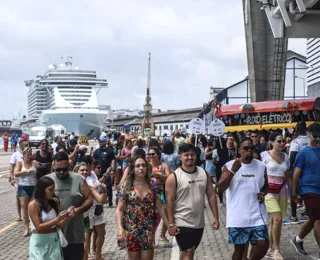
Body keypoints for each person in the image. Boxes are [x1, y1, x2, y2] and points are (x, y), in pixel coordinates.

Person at [217, 137, 269, 260]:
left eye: (252, 148)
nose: (249, 151)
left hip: (257, 214)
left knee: (263, 245)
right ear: (239, 150)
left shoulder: (261, 166)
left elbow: (266, 186)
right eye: (246, 148)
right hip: (238, 216)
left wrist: (263, 193)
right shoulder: (229, 166)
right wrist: (233, 171)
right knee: (239, 252)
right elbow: (220, 188)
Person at [165, 143, 219, 260]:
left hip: (199, 222)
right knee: (188, 251)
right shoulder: (174, 177)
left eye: (192, 155)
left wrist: (215, 216)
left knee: (188, 251)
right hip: (182, 221)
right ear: (180, 157)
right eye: (186, 155)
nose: (190, 157)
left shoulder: (204, 174)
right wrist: (171, 223)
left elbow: (211, 195)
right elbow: (169, 201)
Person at [116, 156, 170, 260]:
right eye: (138, 166)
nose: (141, 168)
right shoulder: (126, 186)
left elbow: (159, 206)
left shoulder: (154, 185)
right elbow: (119, 209)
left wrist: (168, 224)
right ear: (133, 169)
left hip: (147, 229)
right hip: (130, 229)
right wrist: (120, 228)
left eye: (143, 165)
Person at [48, 152, 93, 260]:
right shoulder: (47, 181)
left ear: (69, 166)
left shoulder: (78, 179)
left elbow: (89, 199)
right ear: (53, 166)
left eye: (65, 169)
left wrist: (78, 210)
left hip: (75, 235)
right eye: (58, 170)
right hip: (52, 236)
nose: (62, 172)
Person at [290, 123, 320, 256]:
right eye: (316, 136)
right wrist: (294, 192)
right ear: (308, 134)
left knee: (313, 218)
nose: (318, 139)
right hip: (309, 190)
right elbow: (296, 174)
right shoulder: (303, 153)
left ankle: (297, 240)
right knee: (319, 220)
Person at [261, 133, 290, 259]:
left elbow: (288, 175)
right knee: (277, 219)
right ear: (272, 142)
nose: (282, 143)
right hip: (268, 191)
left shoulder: (286, 156)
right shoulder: (263, 155)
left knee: (274, 220)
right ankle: (277, 250)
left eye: (283, 141)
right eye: (279, 141)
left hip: (282, 190)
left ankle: (269, 248)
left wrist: (294, 191)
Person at [28, 176, 69, 260]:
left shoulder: (54, 202)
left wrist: (67, 216)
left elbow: (58, 226)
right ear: (42, 190)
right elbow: (39, 227)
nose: (53, 192)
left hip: (53, 241)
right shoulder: (33, 204)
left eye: (53, 189)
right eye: (50, 190)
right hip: (40, 243)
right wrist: (57, 219)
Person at [74, 162, 107, 260]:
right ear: (76, 172)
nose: (85, 172)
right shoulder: (72, 186)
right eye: (82, 170)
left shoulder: (89, 187)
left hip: (88, 216)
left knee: (85, 244)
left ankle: (96, 255)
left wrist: (104, 192)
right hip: (75, 218)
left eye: (86, 170)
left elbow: (101, 200)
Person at [283, 121, 310, 225]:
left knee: (293, 192)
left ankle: (294, 216)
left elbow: (292, 157)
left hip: (297, 170)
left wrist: (289, 170)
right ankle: (307, 214)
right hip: (308, 170)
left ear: (297, 129)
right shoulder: (310, 140)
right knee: (305, 192)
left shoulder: (295, 142)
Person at [147, 147, 170, 244]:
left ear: (158, 155)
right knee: (153, 218)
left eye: (153, 154)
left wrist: (159, 176)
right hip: (151, 194)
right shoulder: (146, 166)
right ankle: (152, 239)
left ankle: (162, 235)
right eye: (150, 154)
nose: (151, 156)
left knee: (166, 216)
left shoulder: (163, 165)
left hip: (162, 194)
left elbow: (169, 176)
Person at [14, 147, 37, 236]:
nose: (29, 156)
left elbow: (41, 172)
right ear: (23, 155)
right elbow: (16, 173)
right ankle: (26, 228)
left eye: (30, 154)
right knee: (24, 207)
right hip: (23, 187)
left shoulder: (34, 163)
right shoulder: (20, 163)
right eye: (27, 154)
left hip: (34, 187)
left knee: (34, 207)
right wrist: (26, 171)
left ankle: (34, 226)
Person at [9, 139, 29, 221]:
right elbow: (11, 167)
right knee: (19, 197)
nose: (27, 146)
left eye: (28, 145)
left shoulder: (29, 153)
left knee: (27, 197)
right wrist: (12, 178)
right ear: (21, 146)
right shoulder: (15, 155)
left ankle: (26, 214)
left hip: (28, 179)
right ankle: (19, 215)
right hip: (18, 179)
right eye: (26, 145)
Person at [93, 137, 116, 207]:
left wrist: (112, 168)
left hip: (107, 171)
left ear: (105, 142)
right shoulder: (96, 151)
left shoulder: (109, 150)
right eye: (100, 142)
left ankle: (110, 201)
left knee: (108, 186)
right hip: (98, 172)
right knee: (98, 185)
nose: (100, 143)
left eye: (102, 142)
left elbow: (113, 160)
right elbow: (93, 160)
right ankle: (99, 200)